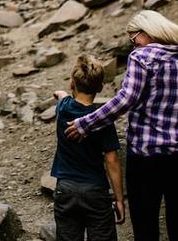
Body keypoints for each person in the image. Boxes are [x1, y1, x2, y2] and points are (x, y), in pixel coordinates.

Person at [65, 10, 178, 241]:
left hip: (145, 161)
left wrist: (86, 124)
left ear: (148, 32)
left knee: (145, 232)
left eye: (133, 38)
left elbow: (126, 99)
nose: (133, 45)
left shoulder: (141, 57)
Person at [51, 55, 125, 241]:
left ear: (72, 83)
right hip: (95, 190)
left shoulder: (63, 108)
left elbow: (63, 97)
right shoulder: (102, 119)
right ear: (100, 87)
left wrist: (61, 93)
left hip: (65, 188)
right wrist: (119, 199)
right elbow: (112, 160)